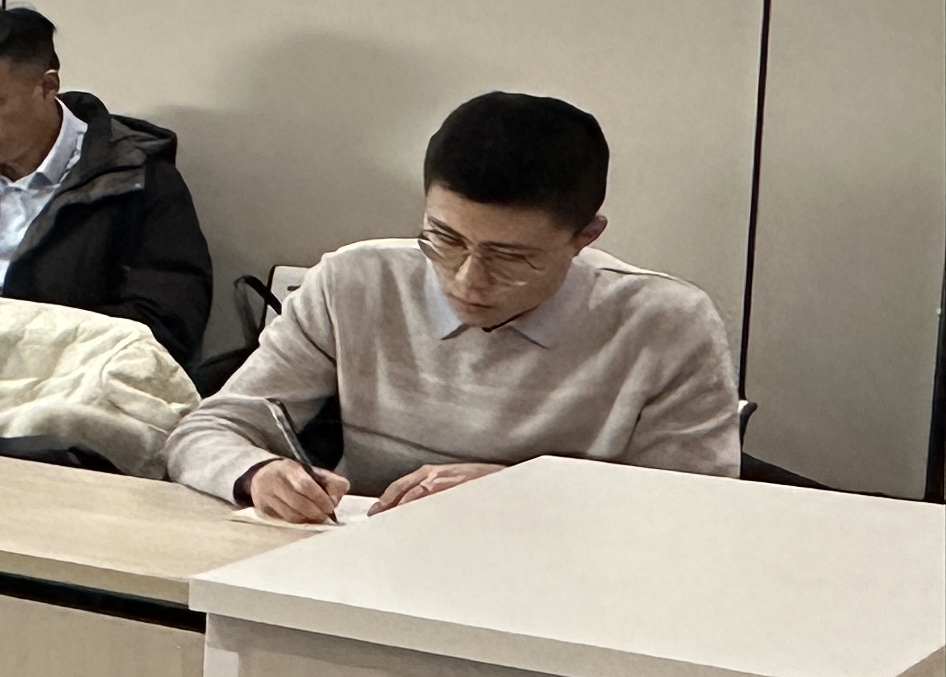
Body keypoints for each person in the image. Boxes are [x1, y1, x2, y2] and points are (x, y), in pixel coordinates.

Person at [167, 91, 739, 519]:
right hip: (369, 566)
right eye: (444, 239)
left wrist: (514, 494)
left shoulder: (664, 323)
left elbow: (696, 511)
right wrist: (258, 472)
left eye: (510, 257)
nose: (467, 279)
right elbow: (205, 432)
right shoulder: (355, 282)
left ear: (584, 237)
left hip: (565, 580)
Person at [0, 2, 212, 361]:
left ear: (47, 86)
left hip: (64, 370)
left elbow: (167, 322)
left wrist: (29, 345)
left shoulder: (132, 176)